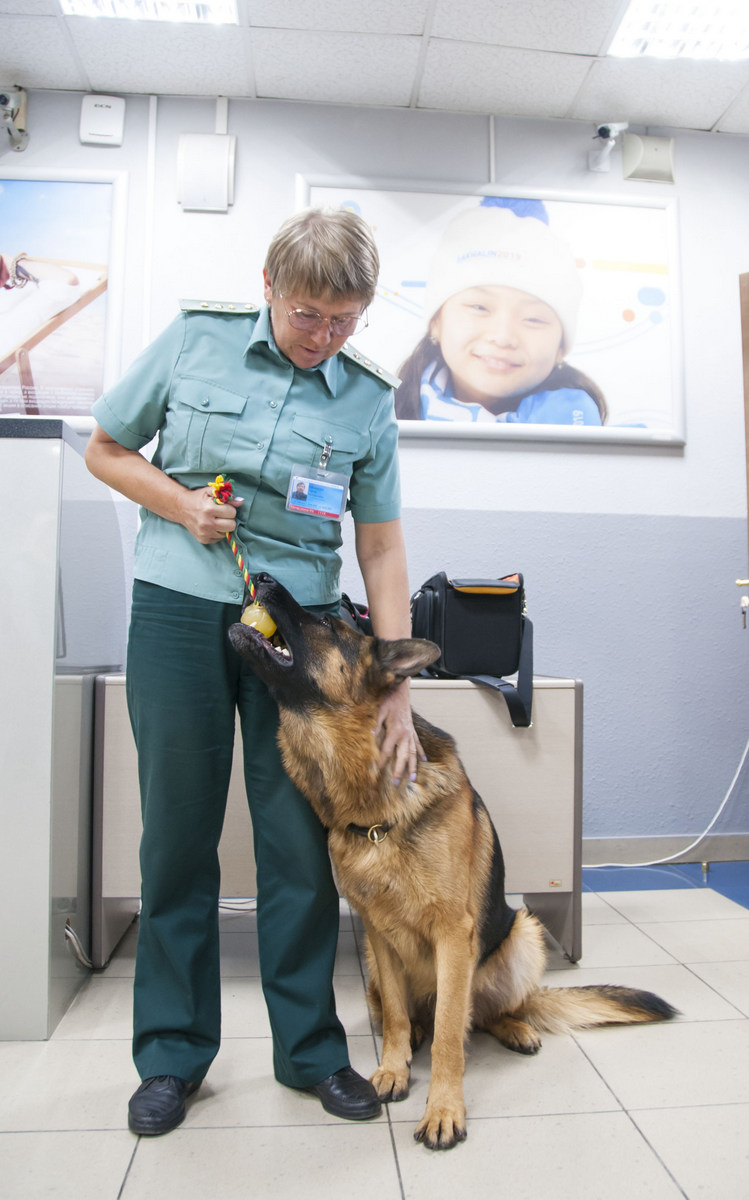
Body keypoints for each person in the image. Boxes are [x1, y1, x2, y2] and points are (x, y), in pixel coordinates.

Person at [85, 208, 422, 1136]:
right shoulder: (196, 341)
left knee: (299, 850)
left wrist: (394, 682)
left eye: (344, 320)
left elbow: (382, 547)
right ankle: (171, 1056)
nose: (323, 337)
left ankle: (310, 1052)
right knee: (178, 841)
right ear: (269, 287)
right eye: (308, 313)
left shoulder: (362, 395)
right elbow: (104, 449)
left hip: (304, 642)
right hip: (178, 606)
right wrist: (181, 504)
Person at [395, 197, 607, 425]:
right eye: (479, 307)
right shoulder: (376, 417)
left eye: (533, 319)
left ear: (561, 347)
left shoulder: (579, 426)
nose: (503, 337)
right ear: (436, 322)